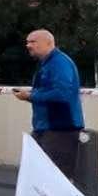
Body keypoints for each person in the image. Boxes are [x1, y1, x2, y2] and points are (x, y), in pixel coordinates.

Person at [14, 29, 83, 180]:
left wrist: (31, 96)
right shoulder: (47, 64)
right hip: (46, 129)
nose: (28, 45)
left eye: (33, 42)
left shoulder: (59, 63)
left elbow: (62, 94)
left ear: (48, 43)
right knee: (41, 177)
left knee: (55, 178)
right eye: (27, 42)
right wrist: (32, 95)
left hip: (59, 129)